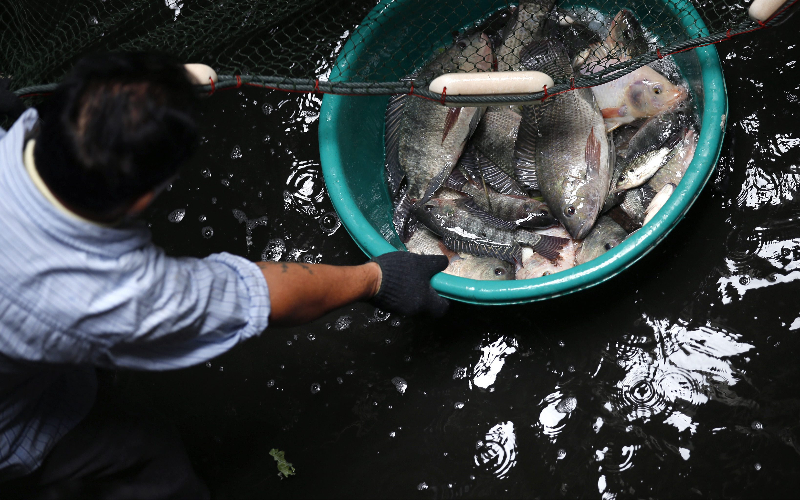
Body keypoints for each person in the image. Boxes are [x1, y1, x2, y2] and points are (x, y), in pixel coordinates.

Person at [0, 52, 449, 498]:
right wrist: (377, 278)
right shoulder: (106, 292)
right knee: (149, 461)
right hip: (15, 422)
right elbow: (263, 294)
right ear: (142, 199)